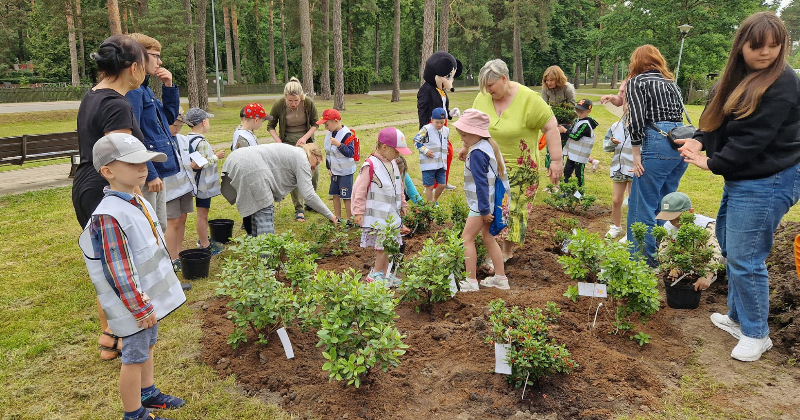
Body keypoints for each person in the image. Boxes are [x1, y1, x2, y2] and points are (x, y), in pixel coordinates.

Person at [678, 12, 800, 362]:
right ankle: (737, 317)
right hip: (747, 174)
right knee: (731, 244)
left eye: (775, 46)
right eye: (757, 46)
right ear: (741, 46)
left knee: (747, 256)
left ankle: (756, 333)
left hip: (771, 176)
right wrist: (700, 141)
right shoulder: (737, 77)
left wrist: (713, 163)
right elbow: (715, 118)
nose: (766, 53)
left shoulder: (783, 83)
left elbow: (752, 140)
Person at [78, 133, 187, 420]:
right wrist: (139, 306)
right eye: (134, 163)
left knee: (147, 347)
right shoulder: (109, 215)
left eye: (146, 162)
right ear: (108, 172)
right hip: (134, 307)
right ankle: (133, 413)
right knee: (134, 357)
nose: (144, 168)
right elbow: (118, 268)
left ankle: (148, 392)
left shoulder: (134, 200)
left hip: (145, 303)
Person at [73, 35, 148, 361]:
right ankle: (120, 335)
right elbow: (121, 158)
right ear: (133, 68)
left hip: (86, 184)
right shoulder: (117, 104)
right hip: (105, 189)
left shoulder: (93, 96)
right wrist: (132, 193)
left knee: (106, 262)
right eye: (144, 65)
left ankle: (110, 334)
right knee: (119, 263)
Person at [470, 59, 563, 265]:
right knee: (490, 208)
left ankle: (506, 251)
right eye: (485, 86)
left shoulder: (529, 99)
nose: (487, 90)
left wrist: (555, 160)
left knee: (514, 210)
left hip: (522, 169)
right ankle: (490, 248)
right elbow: (474, 126)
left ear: (504, 79)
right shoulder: (483, 97)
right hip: (490, 166)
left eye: (491, 85)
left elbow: (551, 127)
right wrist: (465, 147)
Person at [624, 44, 689, 267]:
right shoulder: (672, 83)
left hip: (657, 144)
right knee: (663, 205)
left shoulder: (637, 82)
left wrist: (635, 154)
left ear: (637, 62)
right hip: (680, 146)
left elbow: (636, 120)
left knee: (640, 206)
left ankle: (641, 264)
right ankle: (658, 252)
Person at [126, 33, 181, 234]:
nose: (160, 61)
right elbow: (132, 135)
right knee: (149, 228)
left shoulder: (145, 89)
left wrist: (169, 87)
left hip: (157, 169)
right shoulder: (133, 91)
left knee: (160, 226)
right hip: (148, 173)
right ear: (138, 55)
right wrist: (150, 173)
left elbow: (167, 120)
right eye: (155, 55)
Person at [222, 143, 337, 237]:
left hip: (235, 157)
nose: (314, 167)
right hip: (252, 167)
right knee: (264, 212)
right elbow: (309, 195)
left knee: (252, 212)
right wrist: (331, 216)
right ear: (312, 153)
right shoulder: (302, 158)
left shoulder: (294, 152)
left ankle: (253, 248)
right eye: (316, 162)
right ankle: (266, 260)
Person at [454, 109, 510, 291]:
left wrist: (484, 211)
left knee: (466, 239)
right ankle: (501, 278)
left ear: (476, 133)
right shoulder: (488, 146)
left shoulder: (477, 154)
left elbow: (481, 184)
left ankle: (470, 281)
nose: (462, 139)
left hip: (482, 205)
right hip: (495, 202)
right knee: (488, 238)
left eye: (464, 135)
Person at [352, 127, 411, 286]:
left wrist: (403, 203)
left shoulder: (393, 163)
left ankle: (384, 274)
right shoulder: (371, 165)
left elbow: (399, 185)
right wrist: (358, 212)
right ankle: (376, 275)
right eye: (397, 151)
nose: (398, 154)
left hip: (391, 216)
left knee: (390, 246)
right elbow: (360, 190)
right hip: (378, 218)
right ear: (385, 147)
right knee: (382, 247)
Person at [267, 77, 320, 222]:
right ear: (285, 97)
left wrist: (305, 138)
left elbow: (316, 124)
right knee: (295, 175)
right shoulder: (278, 104)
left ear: (301, 96)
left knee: (313, 173)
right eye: (290, 101)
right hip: (288, 143)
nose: (293, 104)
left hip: (307, 142)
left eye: (296, 100)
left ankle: (310, 202)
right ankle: (299, 208)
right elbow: (270, 126)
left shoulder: (308, 102)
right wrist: (278, 141)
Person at [654, 192, 722, 291]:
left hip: (717, 262)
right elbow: (664, 252)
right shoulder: (668, 227)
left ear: (690, 212)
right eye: (670, 219)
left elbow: (714, 252)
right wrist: (673, 268)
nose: (674, 223)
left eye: (677, 218)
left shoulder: (706, 226)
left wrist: (707, 274)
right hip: (689, 264)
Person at [184, 108, 226, 254]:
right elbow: (199, 163)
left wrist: (209, 154)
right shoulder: (200, 141)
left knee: (202, 214)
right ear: (203, 122)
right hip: (203, 185)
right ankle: (205, 244)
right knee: (203, 214)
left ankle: (202, 239)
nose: (208, 123)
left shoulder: (188, 138)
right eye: (208, 121)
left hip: (195, 184)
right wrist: (216, 157)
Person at [162, 109, 197, 277]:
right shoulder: (161, 140)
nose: (177, 129)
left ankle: (179, 251)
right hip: (169, 189)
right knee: (172, 221)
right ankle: (171, 258)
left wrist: (198, 163)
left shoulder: (183, 140)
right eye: (174, 125)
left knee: (182, 218)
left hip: (185, 186)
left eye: (181, 125)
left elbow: (194, 157)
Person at [318, 108, 356, 222]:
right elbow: (328, 153)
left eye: (327, 124)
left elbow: (350, 153)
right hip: (335, 171)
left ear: (336, 121)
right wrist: (329, 167)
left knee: (346, 196)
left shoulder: (347, 134)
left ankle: (350, 219)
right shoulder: (329, 134)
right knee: (335, 194)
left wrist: (339, 145)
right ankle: (338, 218)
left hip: (345, 172)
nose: (326, 127)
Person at [603, 112, 633, 239]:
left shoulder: (643, 125)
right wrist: (612, 143)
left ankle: (630, 232)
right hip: (618, 168)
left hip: (634, 169)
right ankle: (616, 226)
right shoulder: (616, 126)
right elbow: (606, 146)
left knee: (633, 202)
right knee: (616, 200)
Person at [559, 99, 599, 187]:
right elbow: (572, 131)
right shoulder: (578, 121)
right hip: (573, 154)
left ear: (589, 111)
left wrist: (565, 131)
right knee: (567, 172)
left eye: (581, 112)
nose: (578, 114)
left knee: (578, 174)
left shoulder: (586, 125)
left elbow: (576, 136)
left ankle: (580, 194)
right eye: (577, 111)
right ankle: (566, 191)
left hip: (580, 156)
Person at [413, 107, 450, 204]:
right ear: (432, 120)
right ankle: (430, 205)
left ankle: (435, 200)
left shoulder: (446, 130)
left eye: (442, 122)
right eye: (437, 122)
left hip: (441, 164)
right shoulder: (426, 129)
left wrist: (445, 150)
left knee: (442, 184)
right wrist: (425, 151)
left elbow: (445, 142)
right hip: (428, 164)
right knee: (429, 186)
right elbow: (415, 140)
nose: (439, 125)